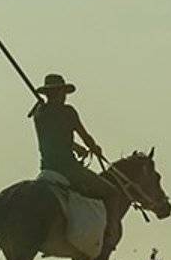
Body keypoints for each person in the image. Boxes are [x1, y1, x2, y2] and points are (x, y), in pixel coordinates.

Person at [30, 73, 117, 202]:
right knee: (111, 193)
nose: (64, 96)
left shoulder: (39, 114)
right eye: (63, 92)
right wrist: (94, 148)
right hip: (68, 168)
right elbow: (85, 137)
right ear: (59, 92)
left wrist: (76, 147)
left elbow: (54, 140)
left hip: (47, 167)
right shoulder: (67, 111)